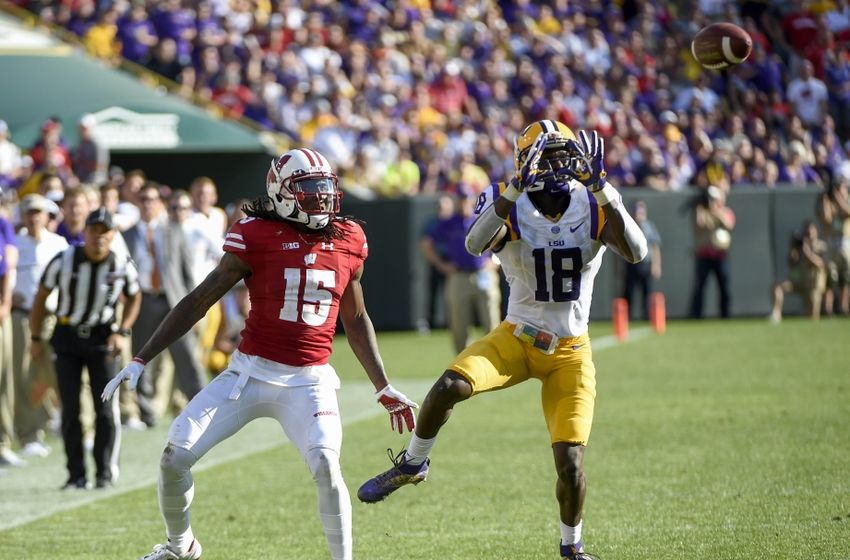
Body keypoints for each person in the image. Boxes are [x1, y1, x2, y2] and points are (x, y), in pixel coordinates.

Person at [100, 147, 418, 560]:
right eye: (310, 190)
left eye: (325, 189)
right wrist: (142, 356)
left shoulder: (349, 239)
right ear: (283, 193)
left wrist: (382, 385)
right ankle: (181, 547)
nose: (322, 198)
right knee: (173, 456)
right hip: (248, 375)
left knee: (325, 463)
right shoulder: (254, 234)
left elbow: (355, 319)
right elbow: (200, 300)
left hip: (309, 380)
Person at [358, 121, 648, 560]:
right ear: (522, 160)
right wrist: (513, 189)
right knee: (446, 387)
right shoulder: (505, 199)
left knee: (570, 463)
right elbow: (476, 244)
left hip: (570, 352)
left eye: (560, 155)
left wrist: (604, 188)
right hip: (516, 336)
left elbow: (637, 251)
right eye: (544, 156)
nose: (554, 165)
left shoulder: (594, 201)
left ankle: (572, 547)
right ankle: (415, 462)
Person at [30, 208, 141, 489]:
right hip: (67, 336)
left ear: (113, 235)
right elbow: (41, 296)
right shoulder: (64, 260)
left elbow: (134, 295)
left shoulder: (121, 264)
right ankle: (75, 475)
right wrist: (34, 337)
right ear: (85, 232)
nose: (99, 237)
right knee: (70, 409)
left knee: (104, 407)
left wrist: (122, 330)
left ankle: (104, 472)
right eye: (94, 230)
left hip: (102, 339)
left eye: (105, 231)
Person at [123, 184, 206, 427]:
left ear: (159, 203)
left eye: (152, 200)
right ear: (138, 203)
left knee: (187, 356)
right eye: (143, 200)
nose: (148, 204)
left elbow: (186, 269)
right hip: (143, 299)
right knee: (141, 356)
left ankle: (201, 406)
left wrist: (196, 306)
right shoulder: (127, 235)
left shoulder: (172, 229)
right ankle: (147, 413)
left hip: (173, 301)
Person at [11, 194, 69, 458]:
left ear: (47, 216)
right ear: (22, 216)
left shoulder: (59, 244)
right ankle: (30, 433)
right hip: (23, 316)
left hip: (55, 316)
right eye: (29, 212)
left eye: (39, 212)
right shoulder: (15, 244)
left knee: (60, 372)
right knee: (25, 375)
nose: (34, 217)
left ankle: (66, 424)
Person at [420, 189, 501, 353]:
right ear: (457, 201)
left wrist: (495, 261)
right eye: (461, 199)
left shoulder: (481, 219)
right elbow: (426, 243)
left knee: (491, 321)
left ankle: (494, 359)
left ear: (473, 200)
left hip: (483, 273)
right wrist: (441, 264)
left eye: (467, 199)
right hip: (459, 276)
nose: (464, 203)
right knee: (459, 324)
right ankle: (463, 363)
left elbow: (502, 239)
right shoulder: (449, 222)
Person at [689, 185, 736, 319]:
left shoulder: (725, 211)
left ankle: (725, 315)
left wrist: (716, 210)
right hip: (704, 255)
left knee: (724, 287)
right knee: (700, 287)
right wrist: (701, 208)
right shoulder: (702, 212)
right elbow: (699, 225)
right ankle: (695, 315)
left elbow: (729, 224)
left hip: (720, 255)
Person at [0, 191, 22, 468]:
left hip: (0, 313)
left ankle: (3, 442)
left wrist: (4, 304)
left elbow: (9, 266)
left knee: (3, 378)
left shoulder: (4, 225)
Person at [769, 221, 828, 322]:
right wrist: (793, 249)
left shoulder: (821, 245)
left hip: (814, 285)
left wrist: (808, 253)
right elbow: (791, 263)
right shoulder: (801, 245)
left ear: (816, 232)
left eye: (811, 231)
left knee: (813, 316)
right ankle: (776, 314)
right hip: (800, 281)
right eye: (807, 231)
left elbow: (820, 264)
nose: (809, 234)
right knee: (777, 287)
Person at [621, 200, 662, 320]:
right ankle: (626, 317)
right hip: (630, 263)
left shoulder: (649, 226)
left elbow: (655, 246)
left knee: (647, 291)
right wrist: (620, 267)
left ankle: (648, 316)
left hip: (646, 263)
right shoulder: (627, 226)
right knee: (628, 292)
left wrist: (656, 265)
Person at [816, 179, 850, 315]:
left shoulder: (846, 200)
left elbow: (847, 213)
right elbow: (827, 219)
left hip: (845, 242)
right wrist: (825, 198)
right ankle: (828, 308)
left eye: (840, 187)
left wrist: (838, 197)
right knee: (831, 277)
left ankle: (844, 306)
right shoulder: (829, 202)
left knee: (846, 277)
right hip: (831, 242)